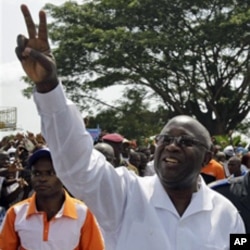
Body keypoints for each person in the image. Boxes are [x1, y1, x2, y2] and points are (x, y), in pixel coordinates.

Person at [15, 4, 245, 249]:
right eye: (165, 139)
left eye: (185, 142)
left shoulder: (227, 214)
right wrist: (49, 88)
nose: (172, 147)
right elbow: (76, 163)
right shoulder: (125, 194)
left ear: (207, 157)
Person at [0, 147, 104, 250]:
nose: (42, 179)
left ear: (64, 176)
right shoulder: (16, 213)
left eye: (51, 173)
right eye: (37, 173)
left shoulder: (83, 213)